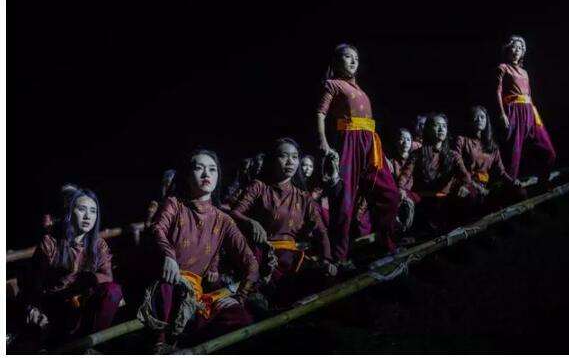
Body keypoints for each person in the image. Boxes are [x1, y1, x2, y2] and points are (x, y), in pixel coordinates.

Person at [146, 149, 258, 353]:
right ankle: (160, 343)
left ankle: (195, 340)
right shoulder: (174, 205)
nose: (207, 174)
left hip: (196, 294)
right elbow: (157, 228)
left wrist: (240, 296)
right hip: (167, 286)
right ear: (188, 176)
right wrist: (168, 255)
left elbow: (250, 262)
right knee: (168, 282)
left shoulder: (223, 220)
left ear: (218, 176)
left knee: (241, 317)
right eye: (199, 169)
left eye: (212, 170)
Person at [316, 43, 400, 264]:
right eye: (347, 56)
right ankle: (339, 257)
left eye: (356, 58)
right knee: (344, 201)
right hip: (348, 143)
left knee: (390, 193)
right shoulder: (332, 84)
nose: (353, 61)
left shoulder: (360, 90)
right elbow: (320, 114)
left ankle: (387, 242)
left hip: (370, 142)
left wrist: (381, 153)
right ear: (336, 62)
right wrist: (324, 143)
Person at [229, 138, 337, 307]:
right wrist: (250, 222)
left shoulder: (303, 196)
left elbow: (320, 230)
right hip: (263, 256)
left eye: (294, 157)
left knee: (323, 278)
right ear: (273, 160)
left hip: (292, 259)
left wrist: (327, 260)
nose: (290, 161)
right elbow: (234, 214)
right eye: (284, 156)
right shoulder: (259, 187)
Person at [20, 189, 122, 350]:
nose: (88, 216)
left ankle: (92, 344)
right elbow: (35, 282)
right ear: (69, 212)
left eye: (93, 211)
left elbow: (107, 276)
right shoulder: (50, 243)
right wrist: (33, 306)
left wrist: (87, 278)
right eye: (82, 209)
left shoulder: (98, 244)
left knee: (113, 291)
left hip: (82, 303)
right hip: (56, 304)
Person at [496, 35, 556, 179]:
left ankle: (543, 180)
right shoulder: (503, 68)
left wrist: (535, 115)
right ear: (508, 49)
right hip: (514, 110)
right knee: (514, 152)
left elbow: (529, 94)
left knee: (549, 150)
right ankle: (510, 187)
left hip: (530, 110)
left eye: (521, 48)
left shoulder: (525, 72)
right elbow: (497, 91)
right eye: (515, 47)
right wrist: (502, 114)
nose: (518, 50)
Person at [398, 113, 471, 231]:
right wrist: (400, 188)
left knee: (469, 194)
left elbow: (465, 175)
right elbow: (405, 175)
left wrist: (465, 185)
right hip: (423, 202)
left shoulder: (453, 155)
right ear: (428, 129)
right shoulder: (417, 154)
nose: (441, 129)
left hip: (446, 202)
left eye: (444, 126)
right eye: (437, 125)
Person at [455, 106, 526, 218]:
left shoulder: (491, 145)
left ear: (486, 120)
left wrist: (512, 181)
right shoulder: (462, 140)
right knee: (472, 198)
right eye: (475, 117)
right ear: (470, 120)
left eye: (482, 117)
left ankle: (520, 220)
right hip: (468, 184)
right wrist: (473, 185)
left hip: (486, 185)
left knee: (519, 191)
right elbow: (458, 165)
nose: (479, 119)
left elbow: (501, 171)